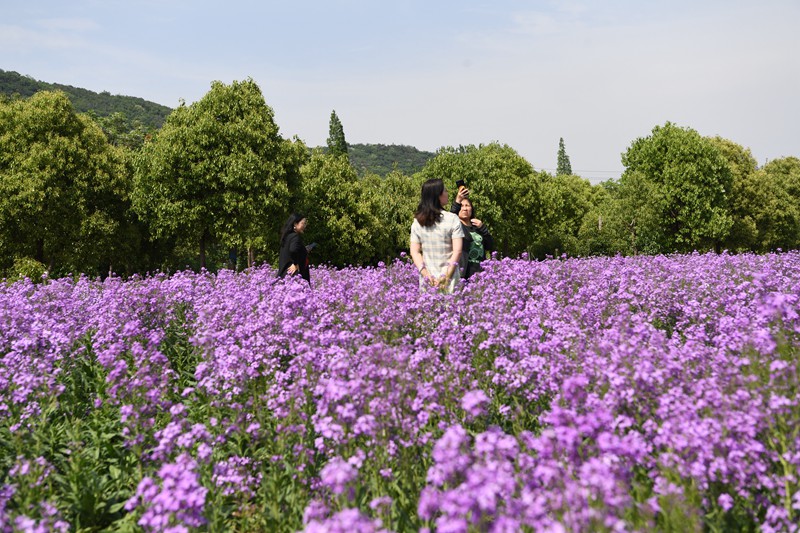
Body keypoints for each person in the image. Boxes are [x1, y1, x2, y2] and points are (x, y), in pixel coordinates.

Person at [410, 178, 464, 293]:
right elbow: (457, 251)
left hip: (428, 281)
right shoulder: (452, 219)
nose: (447, 193)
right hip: (450, 280)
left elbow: (414, 252)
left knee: (429, 309)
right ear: (438, 195)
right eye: (445, 191)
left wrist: (425, 274)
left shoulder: (418, 221)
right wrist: (447, 276)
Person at [450, 187, 494, 279]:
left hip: (481, 274)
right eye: (462, 206)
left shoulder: (478, 227)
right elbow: (452, 215)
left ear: (472, 209)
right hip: (464, 274)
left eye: (467, 206)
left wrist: (483, 228)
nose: (465, 209)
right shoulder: (456, 226)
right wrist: (457, 200)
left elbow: (490, 246)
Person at [277, 213, 311, 283]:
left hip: (284, 276)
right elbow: (293, 250)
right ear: (295, 224)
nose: (304, 226)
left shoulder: (287, 236)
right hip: (293, 277)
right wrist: (295, 263)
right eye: (303, 223)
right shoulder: (295, 237)